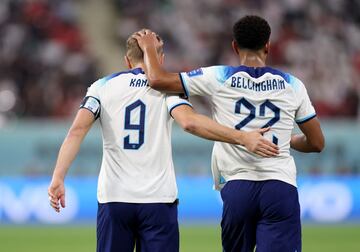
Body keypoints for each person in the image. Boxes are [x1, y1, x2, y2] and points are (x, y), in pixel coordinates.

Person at [48, 29, 279, 252]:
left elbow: (76, 131)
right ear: (161, 58)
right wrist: (241, 137)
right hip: (158, 199)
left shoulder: (101, 87)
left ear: (127, 61)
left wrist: (58, 177)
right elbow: (190, 122)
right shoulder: (168, 89)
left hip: (114, 198)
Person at [134, 15, 325, 252]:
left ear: (234, 46)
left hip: (238, 187)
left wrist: (150, 49)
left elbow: (157, 80)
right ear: (268, 45)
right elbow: (317, 143)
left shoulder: (218, 76)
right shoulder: (293, 84)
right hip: (280, 186)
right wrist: (290, 140)